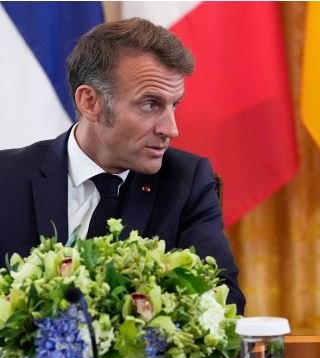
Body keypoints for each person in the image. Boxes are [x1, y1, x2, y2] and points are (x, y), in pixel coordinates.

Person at [0, 18, 245, 313]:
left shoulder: (187, 182)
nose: (171, 129)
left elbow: (223, 299)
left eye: (174, 104)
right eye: (150, 104)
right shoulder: (7, 178)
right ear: (90, 102)